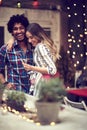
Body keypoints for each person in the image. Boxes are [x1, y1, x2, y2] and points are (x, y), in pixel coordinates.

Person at [7, 23, 59, 96]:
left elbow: (52, 70)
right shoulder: (39, 46)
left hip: (44, 85)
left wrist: (31, 68)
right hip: (44, 83)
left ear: (38, 35)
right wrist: (12, 39)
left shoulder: (40, 47)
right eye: (28, 38)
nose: (29, 41)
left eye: (31, 37)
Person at [0, 14, 33, 94]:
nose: (18, 31)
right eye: (15, 29)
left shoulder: (33, 47)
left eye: (21, 28)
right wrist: (5, 83)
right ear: (11, 32)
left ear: (26, 29)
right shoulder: (6, 49)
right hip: (15, 94)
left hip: (33, 94)